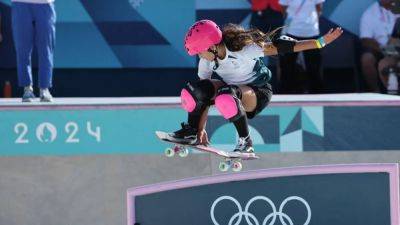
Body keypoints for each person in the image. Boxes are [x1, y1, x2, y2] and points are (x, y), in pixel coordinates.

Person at [169, 20, 342, 153]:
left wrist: (320, 42)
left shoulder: (243, 49)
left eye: (200, 51)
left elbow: (285, 47)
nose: (199, 55)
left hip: (258, 92)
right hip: (232, 89)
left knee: (226, 95)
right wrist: (201, 129)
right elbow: (202, 98)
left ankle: (245, 142)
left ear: (212, 46)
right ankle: (191, 133)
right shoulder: (207, 61)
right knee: (196, 90)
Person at [12, 0, 56, 102]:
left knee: (46, 48)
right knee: (23, 48)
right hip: (21, 3)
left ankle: (44, 88)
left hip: (45, 4)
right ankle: (27, 88)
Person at [278, 0, 325, 94]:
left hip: (313, 32)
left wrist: (309, 23)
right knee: (287, 66)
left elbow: (319, 8)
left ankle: (317, 94)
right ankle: (285, 94)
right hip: (290, 32)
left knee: (315, 66)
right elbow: (283, 9)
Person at [359, 0, 396, 92]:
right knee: (367, 59)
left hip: (396, 47)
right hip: (379, 49)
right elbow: (365, 39)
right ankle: (376, 92)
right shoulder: (370, 13)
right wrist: (384, 49)